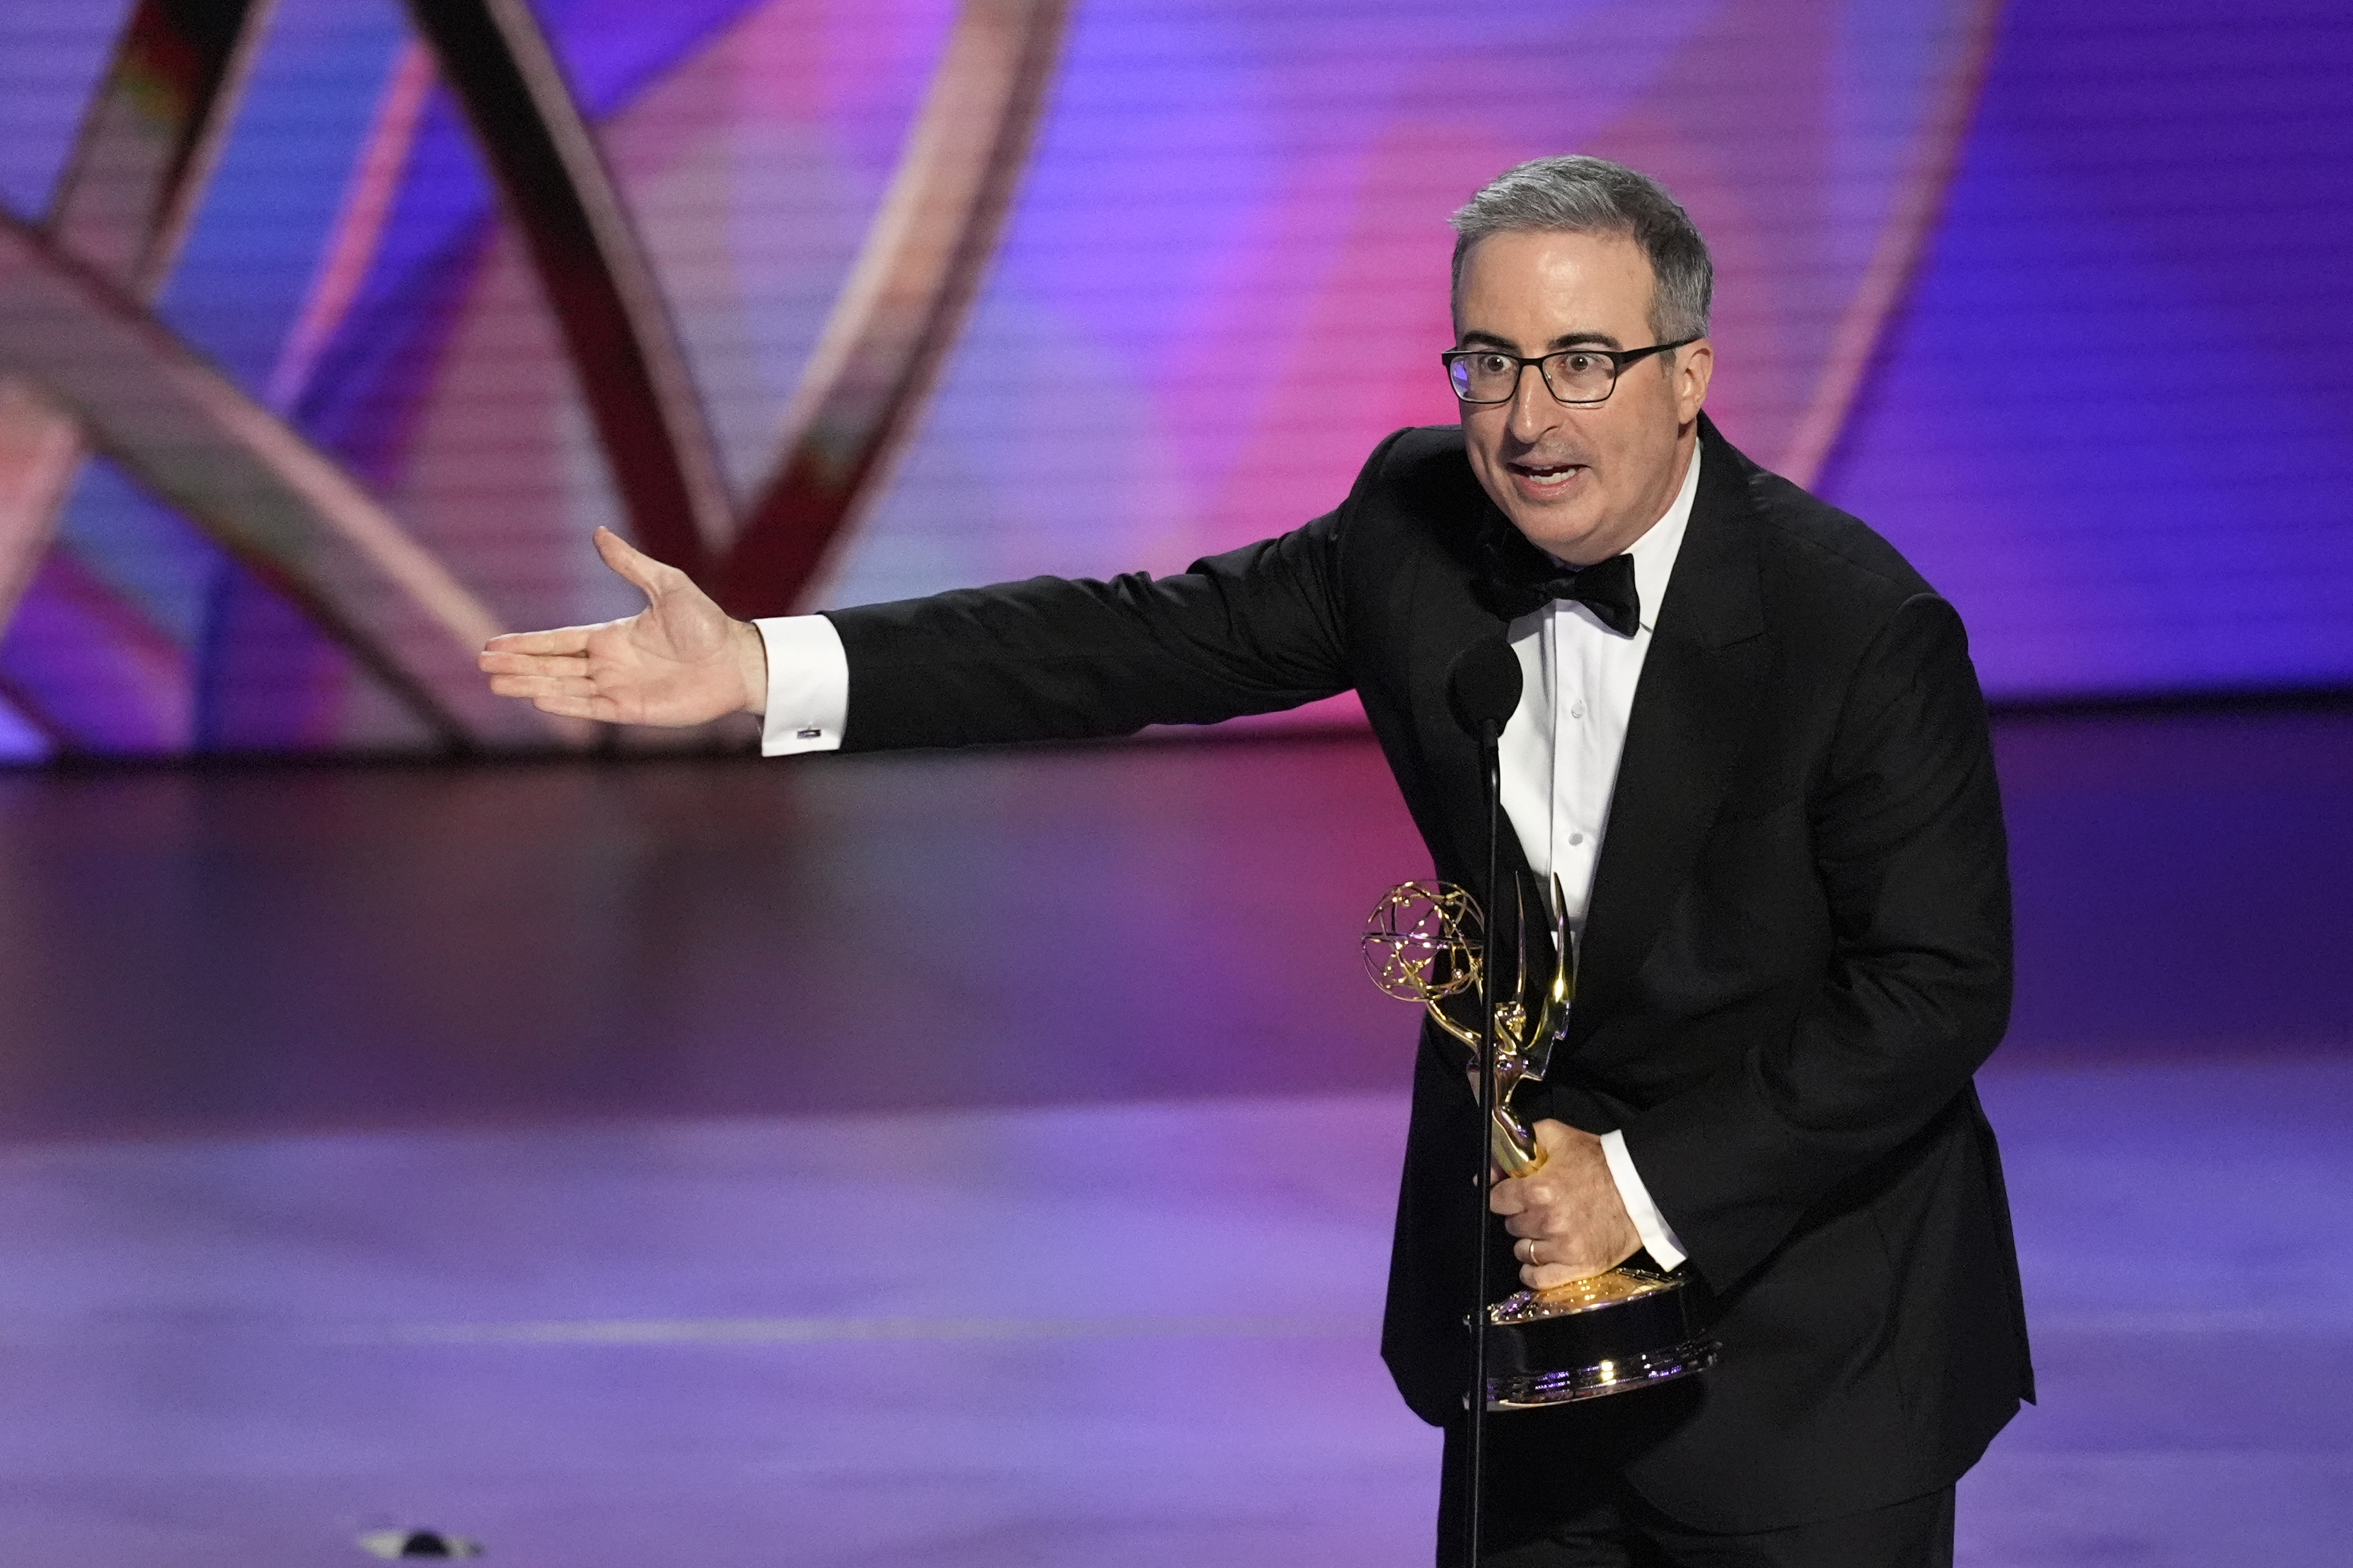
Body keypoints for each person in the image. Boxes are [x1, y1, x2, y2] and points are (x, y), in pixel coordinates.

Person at [479, 155, 2031, 1567]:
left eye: (1582, 361)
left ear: (1687, 374)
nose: (1529, 418)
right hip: (1520, 1349)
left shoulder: (1856, 627)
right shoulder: (1411, 524)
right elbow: (1129, 639)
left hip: (1808, 1350)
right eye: (1488, 362)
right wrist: (766, 666)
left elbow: (1936, 988)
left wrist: (1637, 1185)